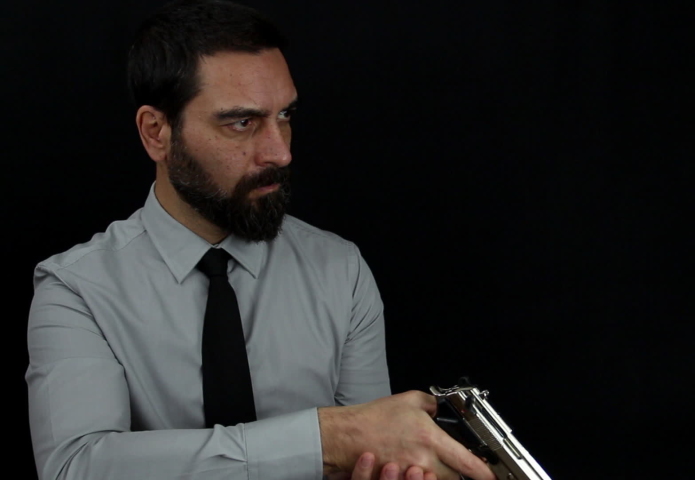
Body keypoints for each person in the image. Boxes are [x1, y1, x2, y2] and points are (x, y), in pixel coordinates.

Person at [24, 1, 496, 480]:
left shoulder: (341, 271)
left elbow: (369, 451)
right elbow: (75, 467)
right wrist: (325, 438)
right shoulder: (75, 289)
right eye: (241, 122)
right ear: (157, 133)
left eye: (285, 115)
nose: (281, 151)